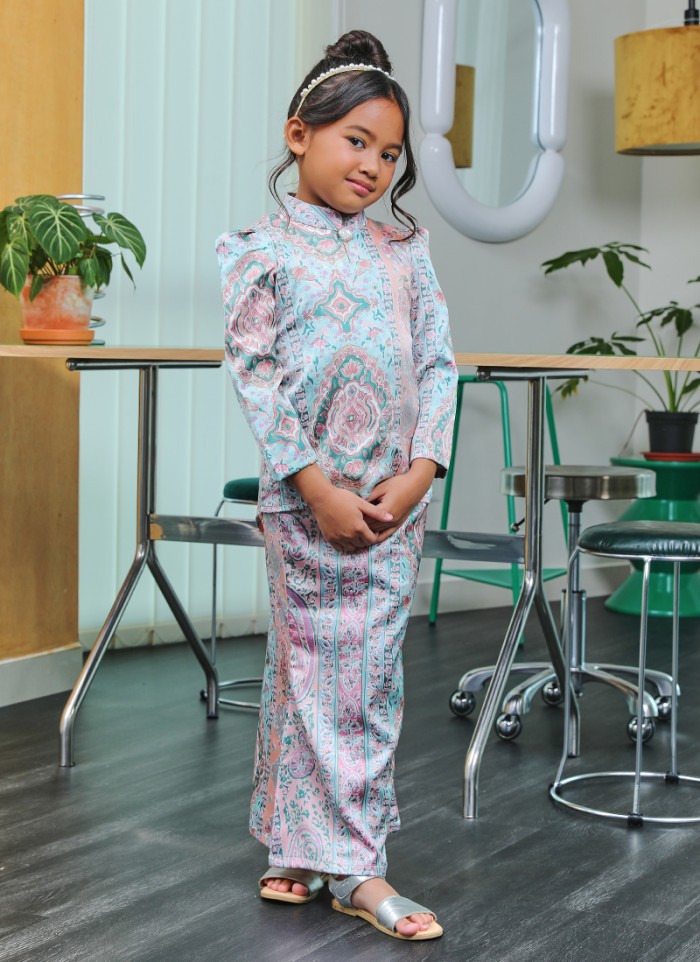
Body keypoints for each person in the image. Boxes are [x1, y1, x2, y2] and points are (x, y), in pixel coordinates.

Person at [216, 29, 457, 942]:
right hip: (304, 501)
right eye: (356, 140)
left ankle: (347, 857)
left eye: (389, 153)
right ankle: (320, 853)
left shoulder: (406, 251)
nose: (373, 165)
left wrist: (422, 472)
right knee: (307, 671)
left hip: (393, 504)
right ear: (299, 136)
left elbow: (437, 366)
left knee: (367, 680)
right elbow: (256, 376)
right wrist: (316, 488)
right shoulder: (259, 252)